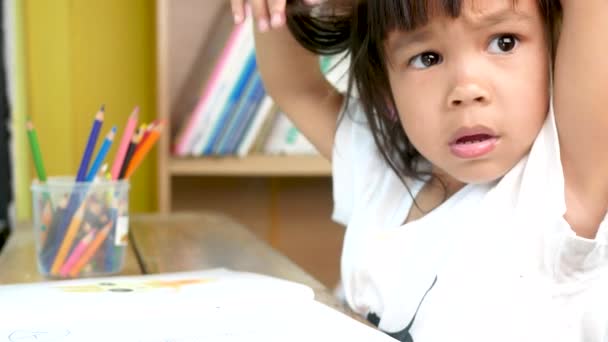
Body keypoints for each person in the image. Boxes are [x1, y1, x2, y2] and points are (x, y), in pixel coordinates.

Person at [230, 0, 608, 340]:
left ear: (558, 46)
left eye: (504, 42)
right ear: (384, 79)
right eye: (427, 58)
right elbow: (297, 89)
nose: (466, 89)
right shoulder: (379, 166)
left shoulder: (559, 187)